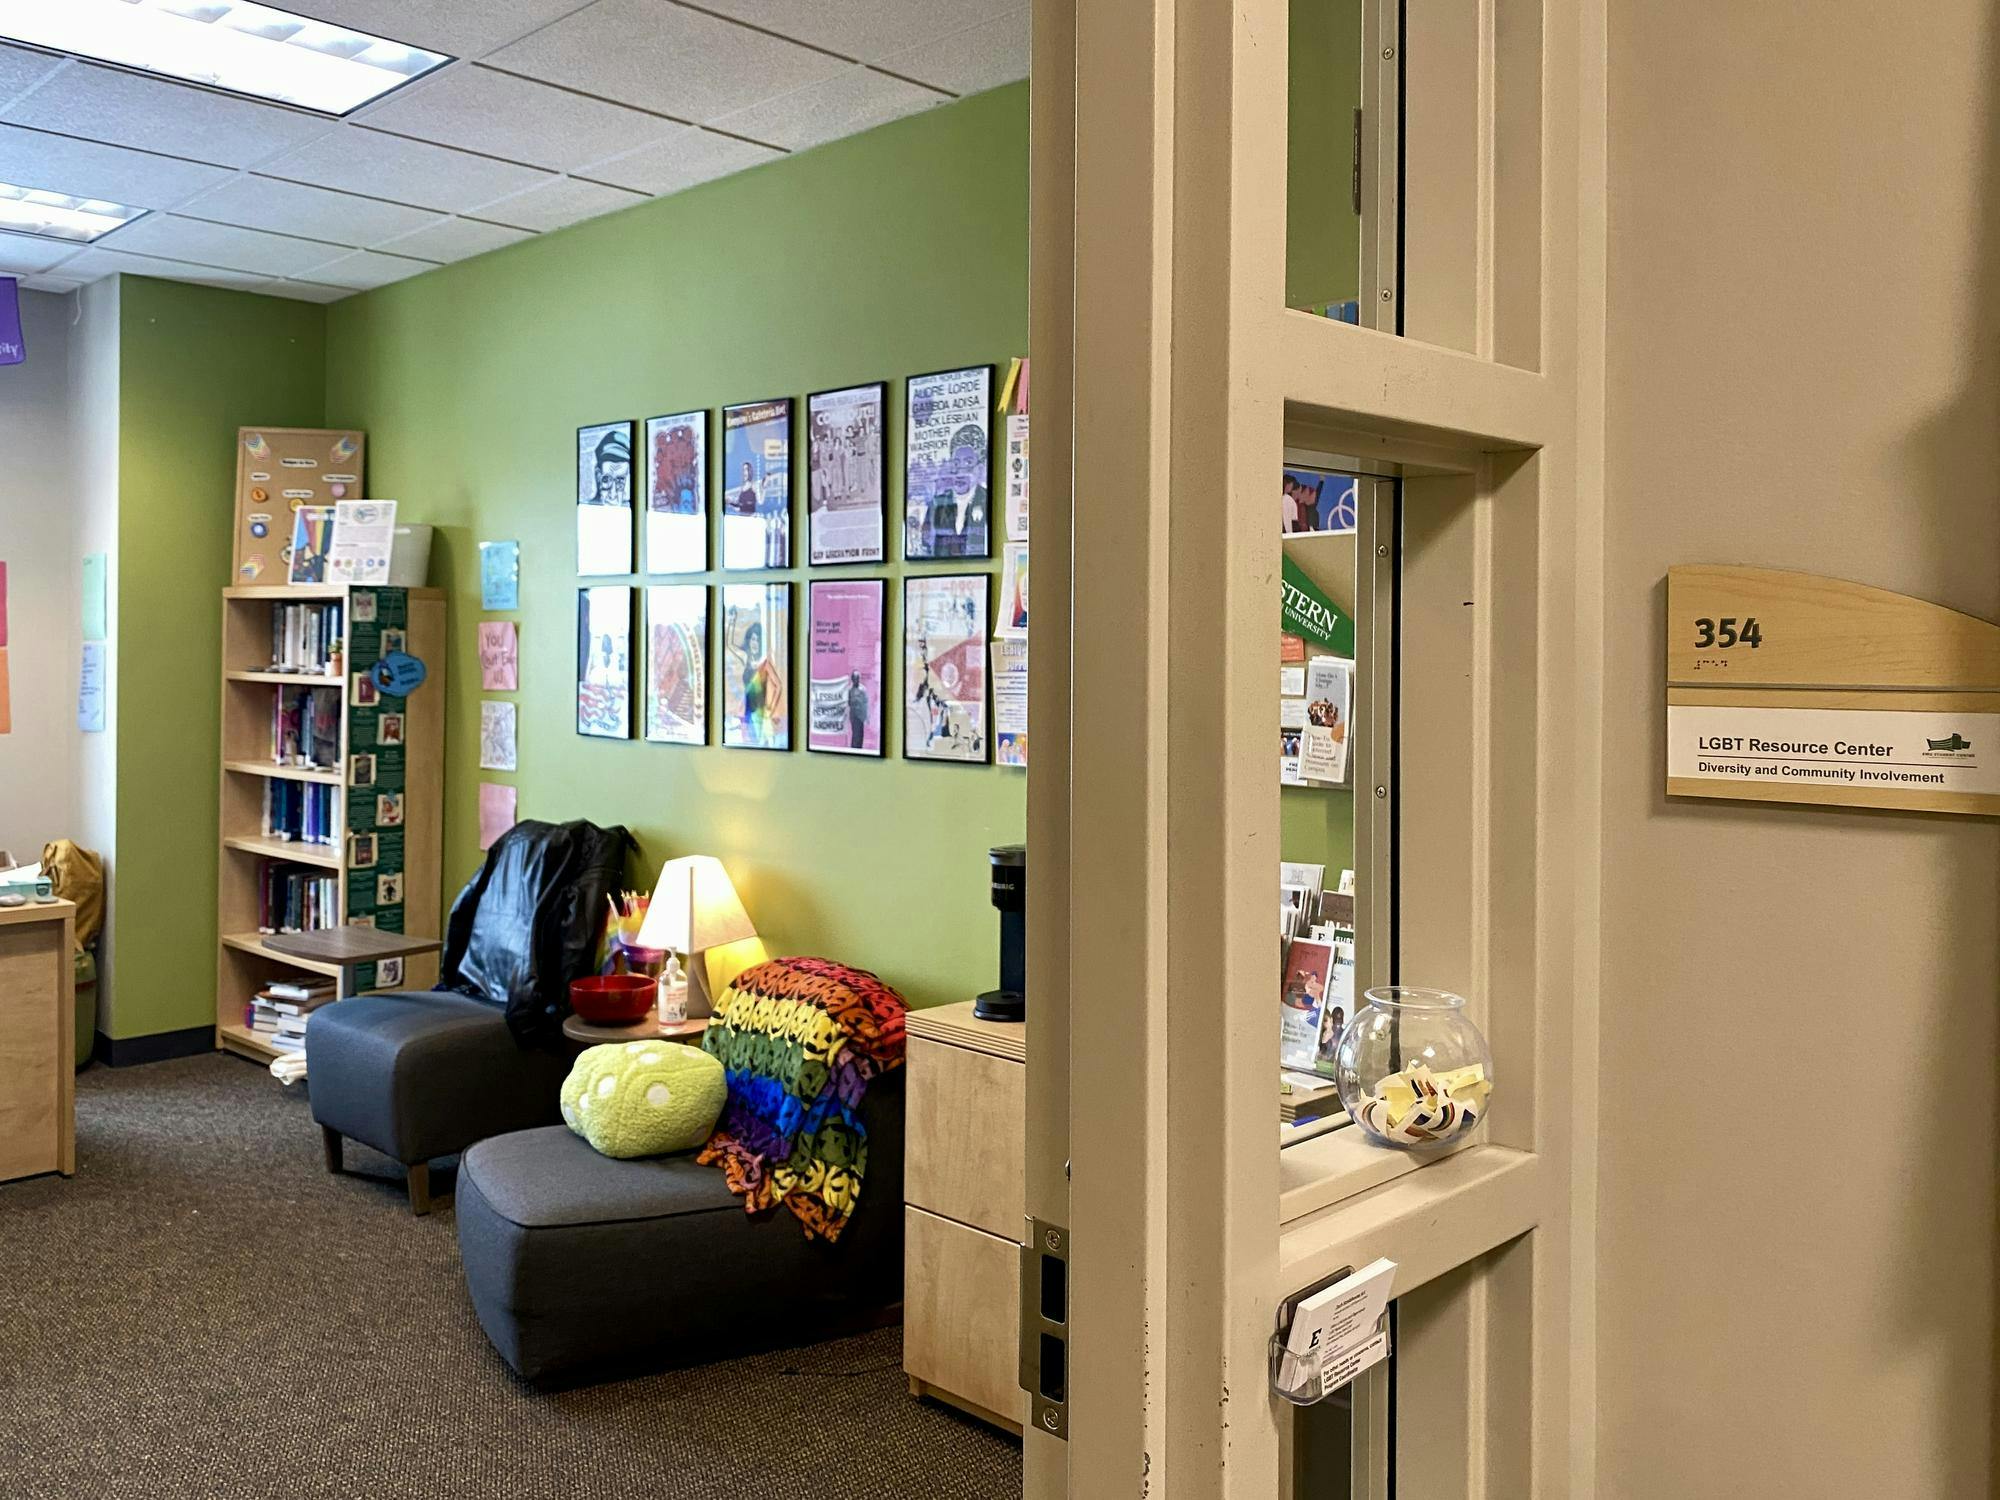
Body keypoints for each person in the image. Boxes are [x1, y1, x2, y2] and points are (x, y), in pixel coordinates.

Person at [846, 670, 870, 749]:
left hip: (860, 715)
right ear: (852, 679)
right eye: (855, 678)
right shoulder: (849, 690)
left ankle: (859, 748)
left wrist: (867, 717)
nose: (856, 680)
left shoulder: (863, 689)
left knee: (860, 734)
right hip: (853, 715)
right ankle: (854, 748)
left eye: (858, 678)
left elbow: (866, 703)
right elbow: (848, 702)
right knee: (855, 733)